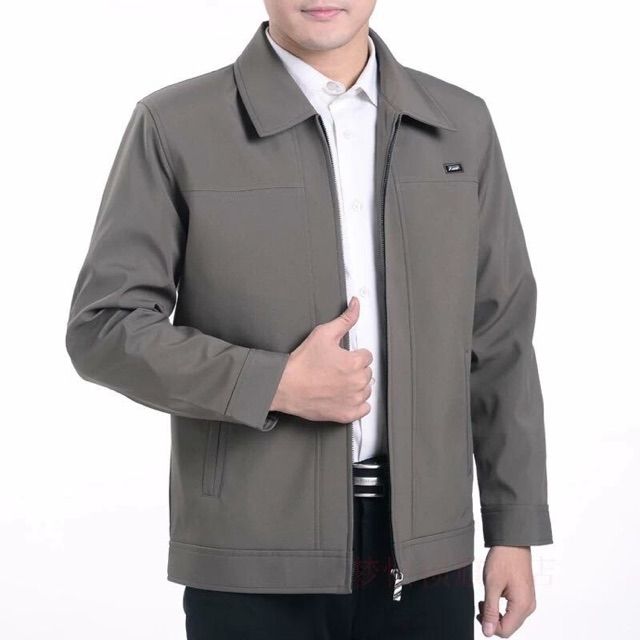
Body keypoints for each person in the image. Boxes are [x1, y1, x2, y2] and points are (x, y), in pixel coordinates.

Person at [65, 1, 553, 638]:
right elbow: (105, 327)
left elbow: (499, 335)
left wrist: (513, 527)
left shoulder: (460, 123)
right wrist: (273, 384)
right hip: (251, 558)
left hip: (427, 555)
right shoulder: (176, 125)